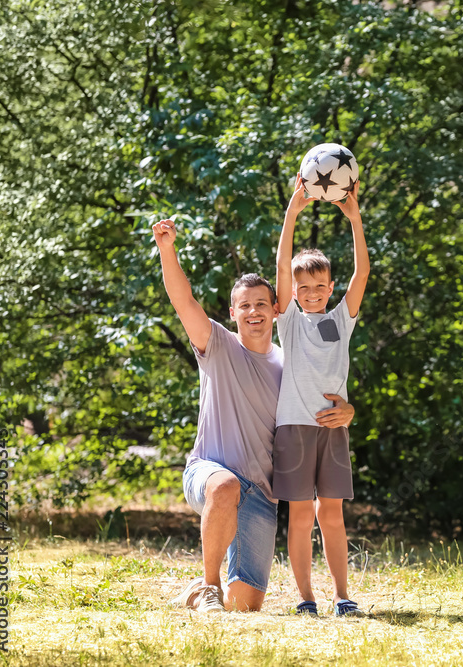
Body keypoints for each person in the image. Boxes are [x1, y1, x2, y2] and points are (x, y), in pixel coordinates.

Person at [152, 219, 355, 612]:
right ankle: (210, 585)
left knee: (246, 605)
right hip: (209, 475)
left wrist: (348, 411)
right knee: (225, 486)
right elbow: (183, 301)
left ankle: (200, 590)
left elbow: (322, 408)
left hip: (261, 494)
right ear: (233, 312)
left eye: (261, 303)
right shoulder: (217, 345)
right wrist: (167, 250)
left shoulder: (289, 364)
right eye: (244, 305)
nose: (253, 311)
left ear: (277, 308)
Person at [273, 172, 369, 617]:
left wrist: (354, 219)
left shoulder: (340, 320)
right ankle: (305, 599)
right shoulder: (289, 319)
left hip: (333, 429)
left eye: (319, 287)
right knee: (298, 516)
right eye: (303, 288)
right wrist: (292, 213)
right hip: (294, 428)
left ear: (330, 288)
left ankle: (342, 596)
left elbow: (363, 271)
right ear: (294, 293)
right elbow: (283, 270)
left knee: (331, 515)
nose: (311, 294)